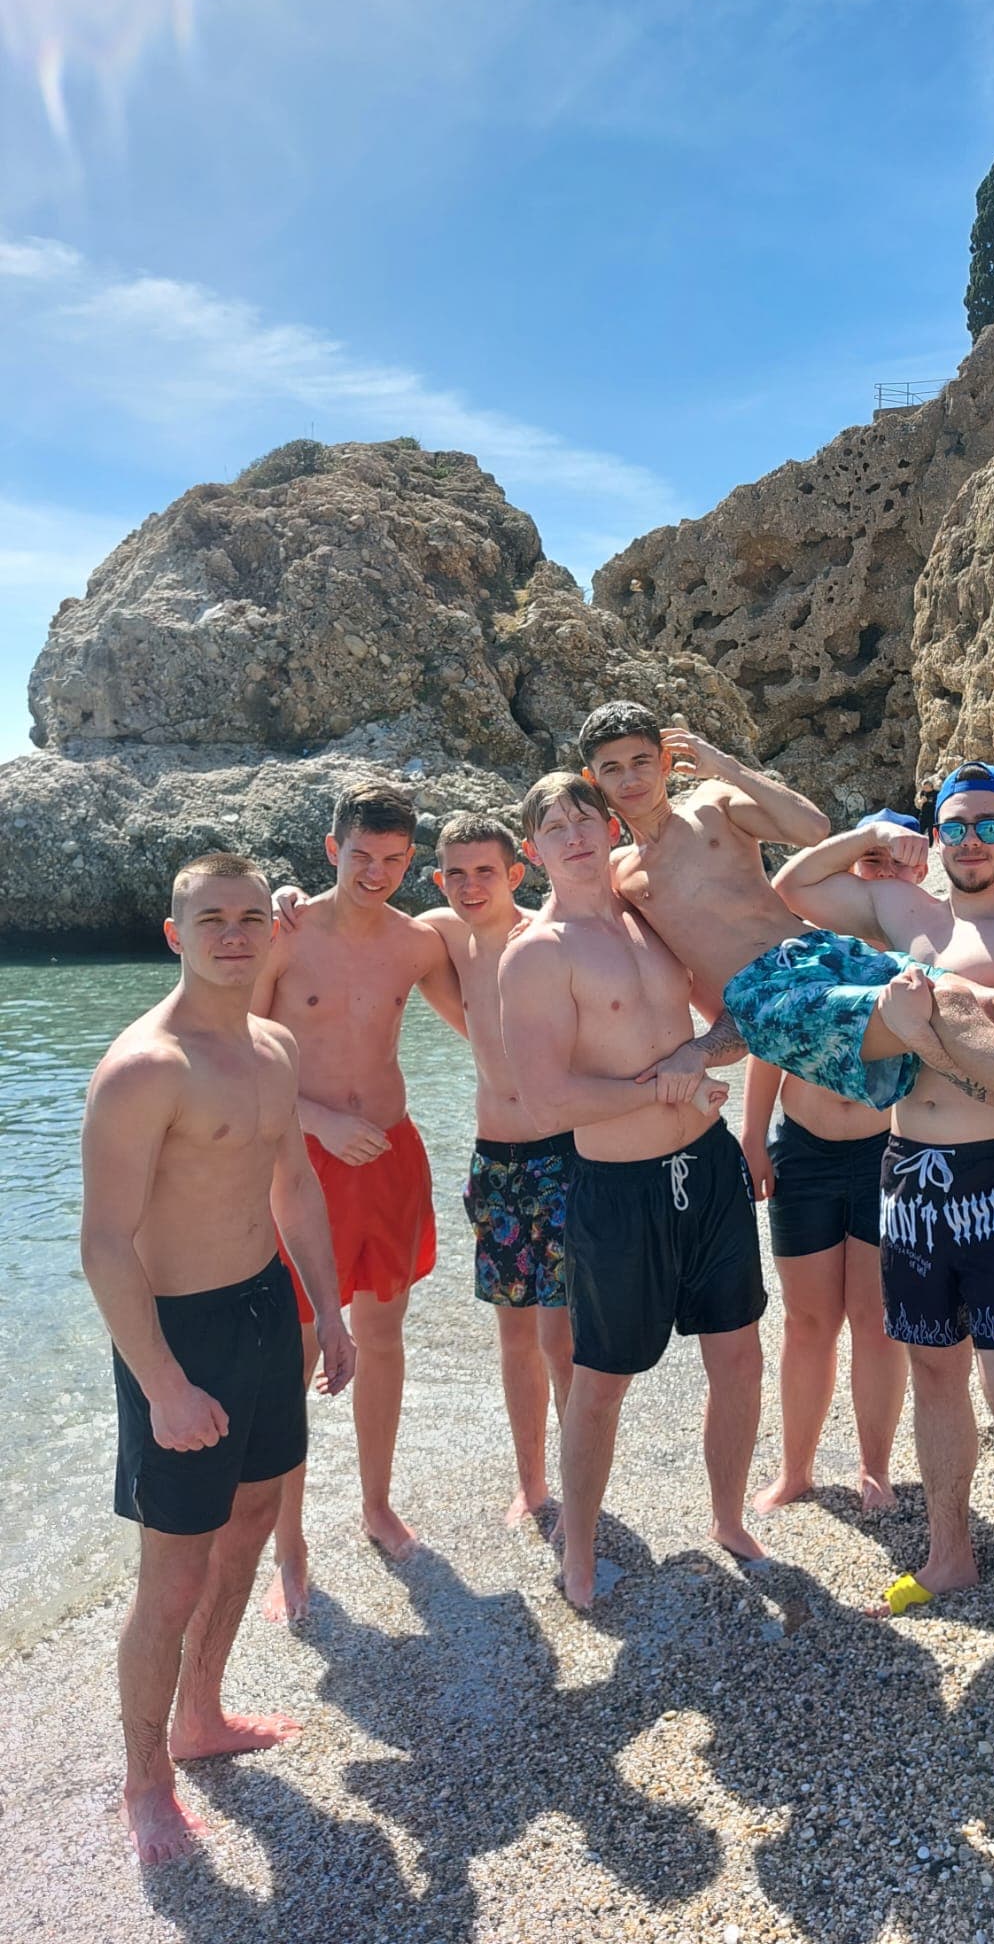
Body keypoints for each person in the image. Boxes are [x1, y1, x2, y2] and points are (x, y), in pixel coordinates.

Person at [576, 702, 994, 1200]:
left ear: (667, 761)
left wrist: (728, 766)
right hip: (770, 996)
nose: (632, 777)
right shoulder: (620, 875)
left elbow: (807, 826)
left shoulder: (717, 805)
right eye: (614, 769)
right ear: (596, 780)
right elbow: (634, 961)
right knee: (958, 999)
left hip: (818, 956)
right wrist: (705, 1044)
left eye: (643, 760)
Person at [776, 764, 994, 1679]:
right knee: (932, 1371)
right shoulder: (905, 912)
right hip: (906, 1176)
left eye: (987, 825)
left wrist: (921, 1029)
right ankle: (950, 1551)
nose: (968, 841)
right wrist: (870, 842)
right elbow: (793, 887)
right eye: (953, 825)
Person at [80, 854, 357, 1866]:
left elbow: (293, 1187)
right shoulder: (145, 1066)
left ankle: (202, 1716)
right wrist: (160, 1382)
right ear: (175, 932)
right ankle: (145, 1782)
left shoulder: (274, 1045)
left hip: (260, 1309)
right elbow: (104, 1240)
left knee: (249, 1520)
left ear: (270, 931)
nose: (234, 933)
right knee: (172, 1571)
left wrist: (328, 1310)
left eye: (250, 916)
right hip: (176, 1331)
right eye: (211, 918)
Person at [499, 773, 766, 1610]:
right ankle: (577, 1553)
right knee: (600, 1381)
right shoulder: (537, 954)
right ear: (532, 851)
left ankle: (727, 1518)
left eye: (586, 818)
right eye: (554, 826)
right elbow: (548, 1101)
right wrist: (666, 1087)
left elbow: (735, 1011)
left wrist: (702, 1057)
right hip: (615, 1192)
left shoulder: (653, 915)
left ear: (611, 825)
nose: (575, 836)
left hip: (710, 1169)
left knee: (739, 1356)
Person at [252, 783, 466, 1620]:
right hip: (299, 1161)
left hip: (389, 1154)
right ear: (331, 846)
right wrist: (313, 1119)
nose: (375, 872)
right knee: (298, 1349)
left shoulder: (416, 944)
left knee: (380, 1335)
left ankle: (376, 1504)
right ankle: (289, 1545)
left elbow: (485, 1022)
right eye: (360, 854)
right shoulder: (285, 932)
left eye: (393, 859)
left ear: (412, 859)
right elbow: (234, 1043)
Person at [742, 811, 924, 1516]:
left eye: (894, 863)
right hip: (807, 1149)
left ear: (919, 871)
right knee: (807, 1320)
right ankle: (796, 1468)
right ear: (850, 868)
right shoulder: (812, 944)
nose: (879, 876)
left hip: (890, 1152)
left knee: (876, 1319)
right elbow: (768, 1040)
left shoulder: (927, 945)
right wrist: (753, 1138)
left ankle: (874, 1467)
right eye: (868, 862)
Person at [424, 812, 575, 1523]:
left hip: (563, 1157)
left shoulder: (544, 936)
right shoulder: (442, 937)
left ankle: (581, 1475)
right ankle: (532, 1480)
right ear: (437, 879)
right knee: (514, 1334)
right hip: (495, 1163)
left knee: (561, 1333)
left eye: (485, 870)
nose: (469, 884)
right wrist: (291, 901)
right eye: (455, 872)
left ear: (517, 872)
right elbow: (355, 932)